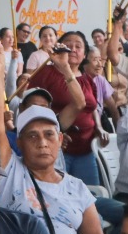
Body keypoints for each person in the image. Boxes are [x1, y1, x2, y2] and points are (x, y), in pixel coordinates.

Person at [0, 55, 109, 234]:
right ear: (19, 142)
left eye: (49, 135)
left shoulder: (76, 187)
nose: (42, 142)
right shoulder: (11, 170)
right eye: (32, 136)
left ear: (60, 139)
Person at [24, 32, 102, 187]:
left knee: (90, 193)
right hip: (57, 148)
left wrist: (98, 127)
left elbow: (92, 107)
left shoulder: (87, 79)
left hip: (86, 149)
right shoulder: (46, 73)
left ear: (84, 54)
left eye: (78, 46)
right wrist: (54, 131)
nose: (73, 49)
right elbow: (31, 107)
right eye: (68, 45)